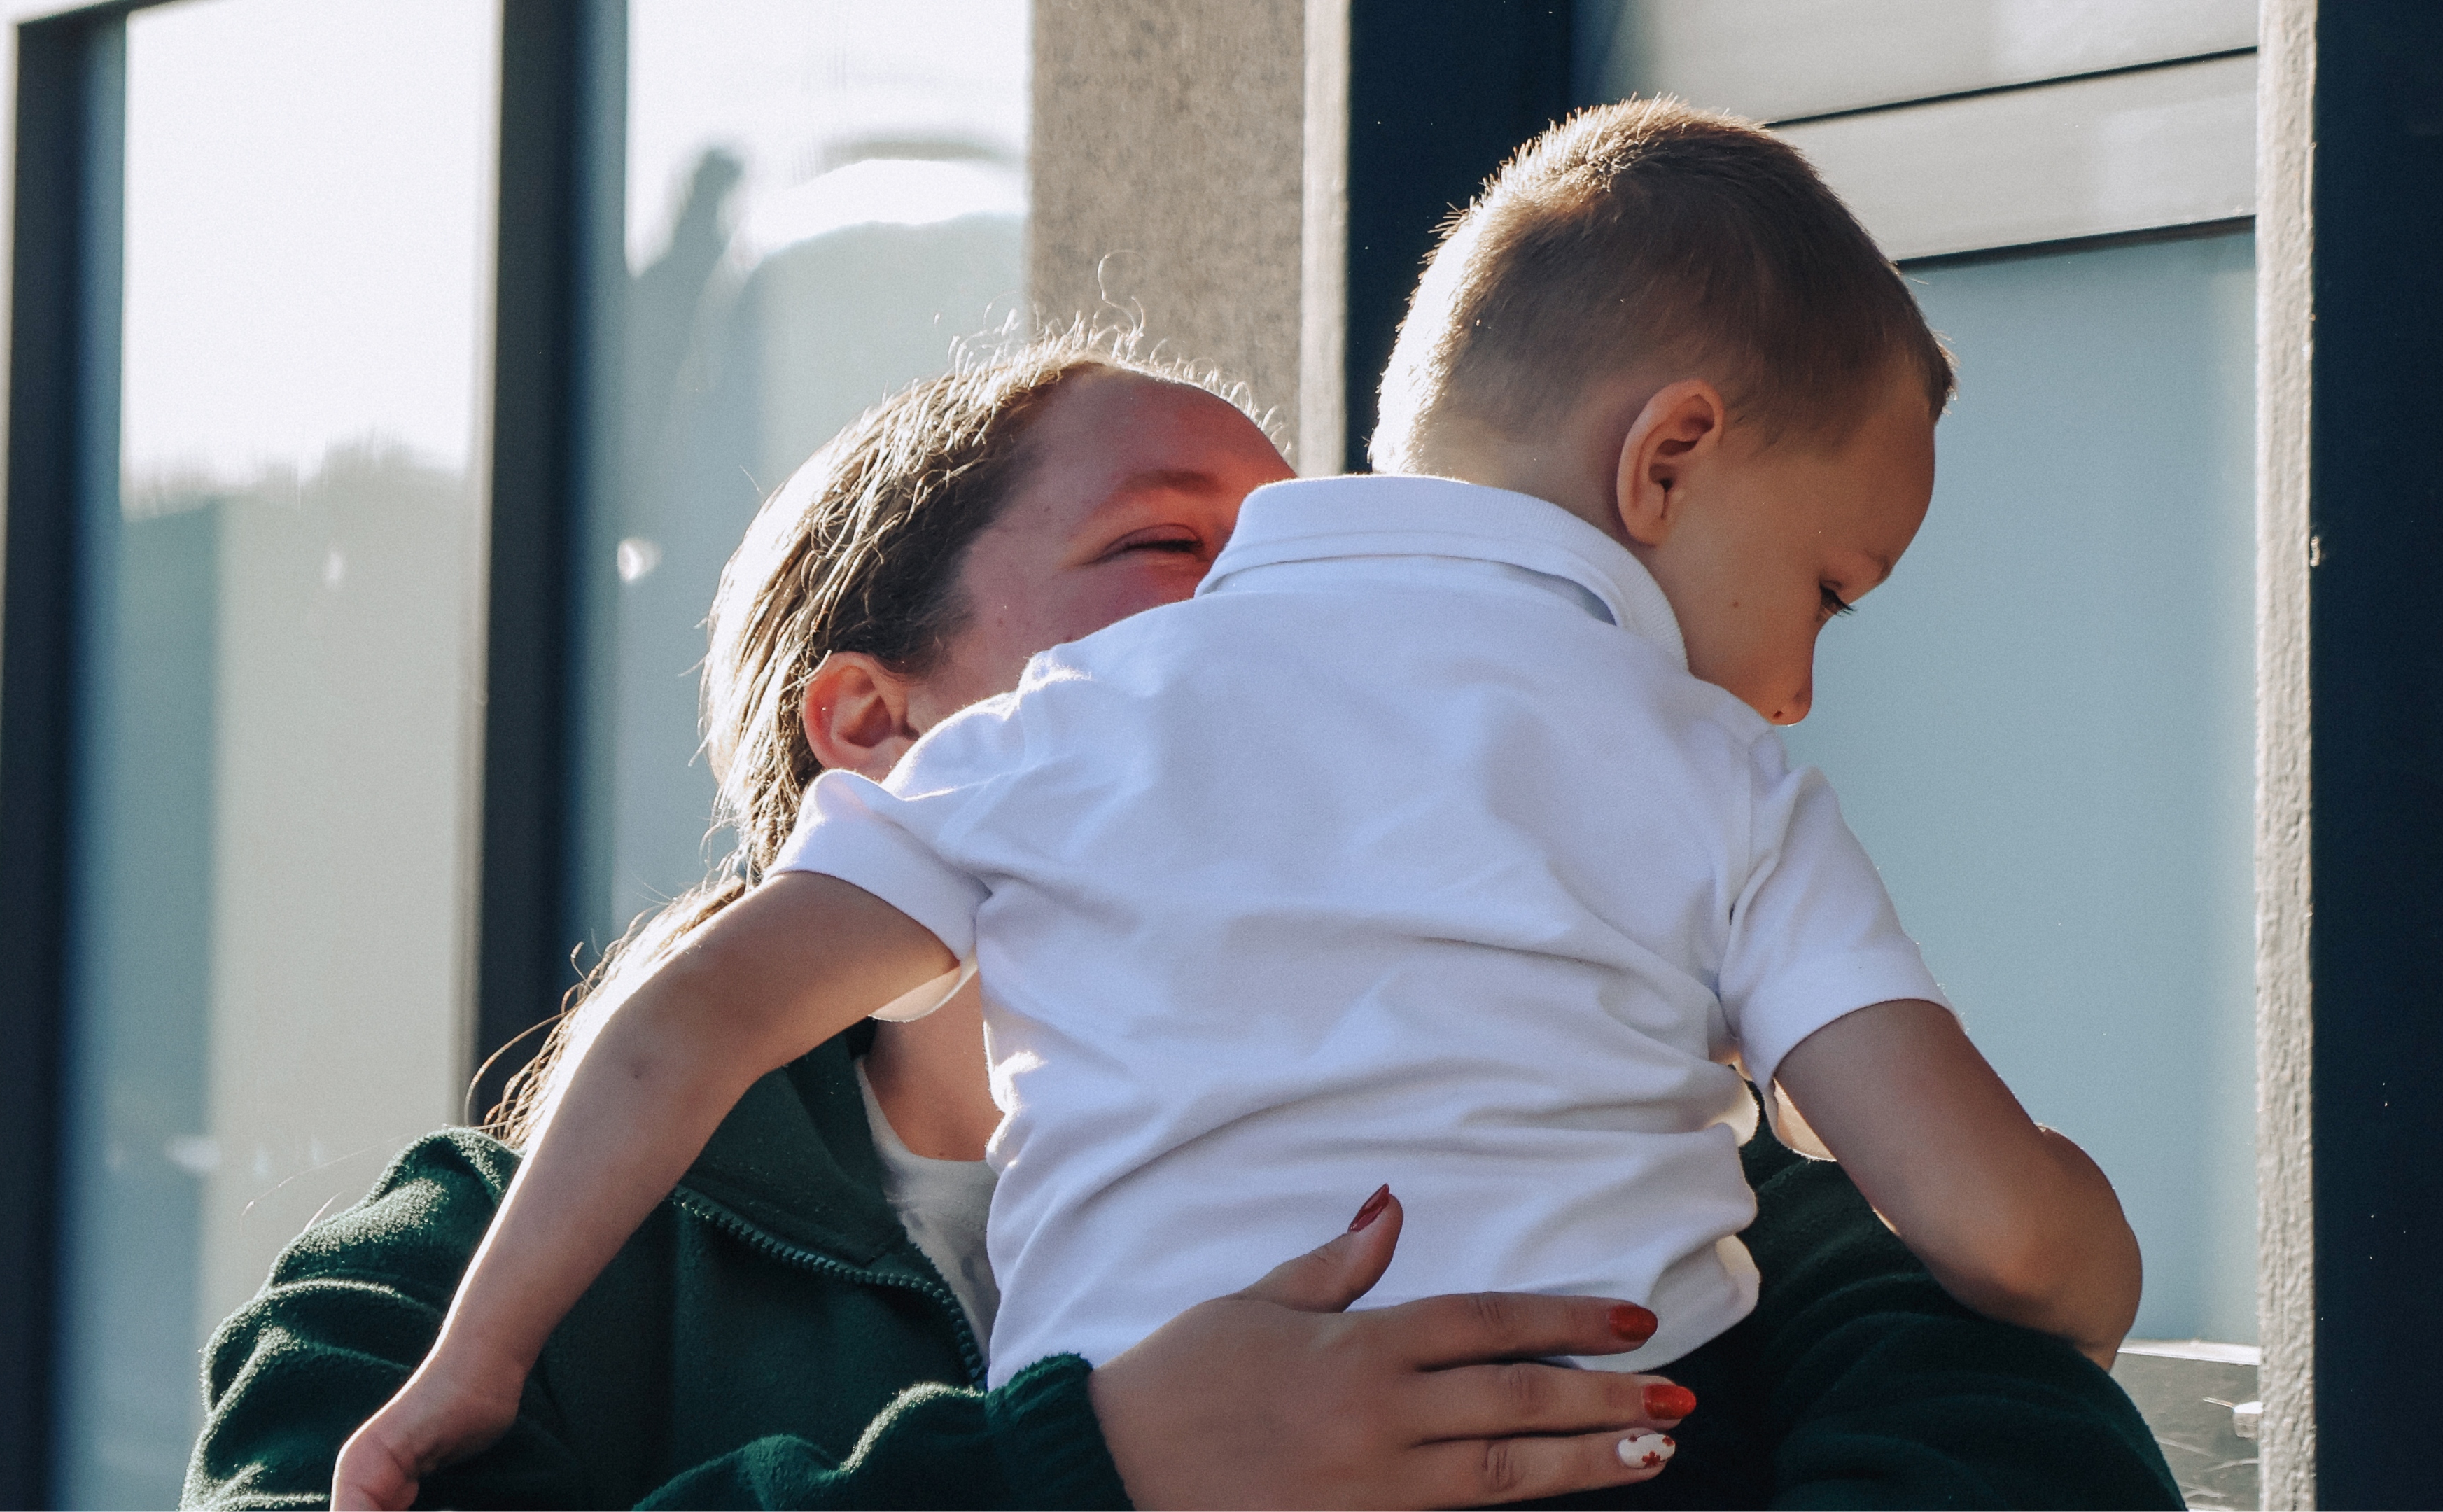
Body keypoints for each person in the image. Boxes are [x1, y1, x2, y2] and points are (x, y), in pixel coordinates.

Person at [335, 100, 2157, 1511]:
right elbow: (2017, 1236)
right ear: (871, 729)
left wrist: (482, 1365)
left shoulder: (1756, 1206)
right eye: (1173, 560)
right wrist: (1087, 1464)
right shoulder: (1713, 787)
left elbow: (687, 1023)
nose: (1302, 661)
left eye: (1281, 550)